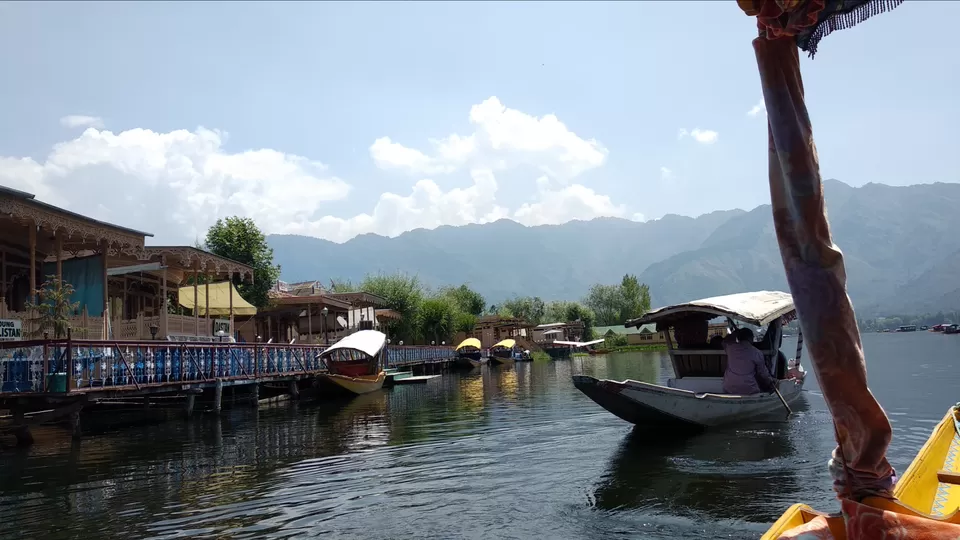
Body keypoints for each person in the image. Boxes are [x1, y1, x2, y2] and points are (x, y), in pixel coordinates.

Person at [721, 327, 778, 395]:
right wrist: (771, 381)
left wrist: (735, 333)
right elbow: (763, 373)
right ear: (751, 338)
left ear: (738, 338)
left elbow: (725, 341)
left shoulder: (730, 348)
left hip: (729, 387)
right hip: (749, 389)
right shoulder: (757, 352)